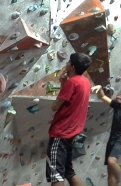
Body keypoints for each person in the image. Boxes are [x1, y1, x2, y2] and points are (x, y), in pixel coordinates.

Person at [46, 53, 92, 186]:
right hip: (74, 131)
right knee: (68, 171)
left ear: (72, 66)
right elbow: (70, 101)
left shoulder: (72, 83)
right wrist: (63, 84)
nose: (66, 64)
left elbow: (55, 107)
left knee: (56, 174)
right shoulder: (85, 82)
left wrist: (65, 85)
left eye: (68, 62)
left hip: (61, 132)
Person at [91, 85, 121, 186]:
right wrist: (100, 88)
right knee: (110, 170)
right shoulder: (117, 105)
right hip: (112, 138)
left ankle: (119, 181)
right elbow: (102, 97)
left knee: (111, 161)